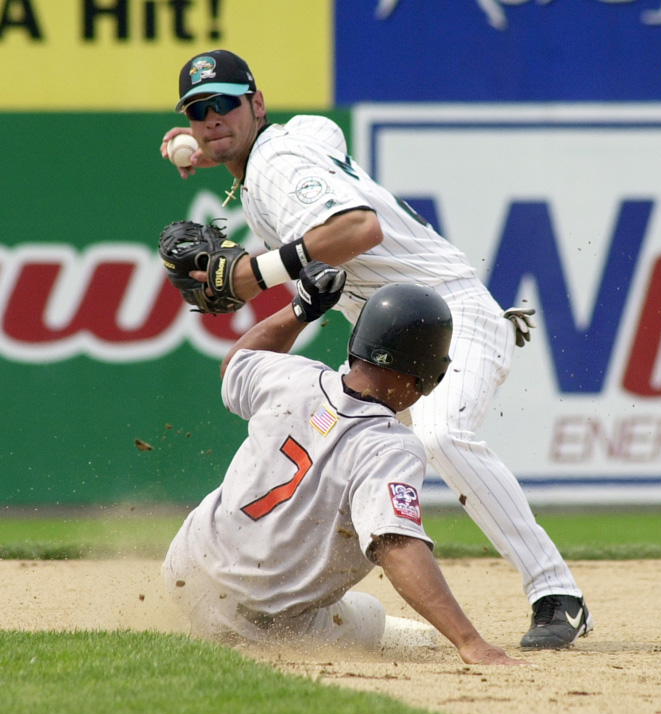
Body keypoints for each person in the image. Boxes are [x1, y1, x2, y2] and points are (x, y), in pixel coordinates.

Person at [160, 49, 593, 649]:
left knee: (440, 436)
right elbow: (323, 134)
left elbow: (360, 228)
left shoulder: (276, 164)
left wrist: (254, 274)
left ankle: (557, 593)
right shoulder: (290, 143)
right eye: (200, 111)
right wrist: (214, 148)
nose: (213, 118)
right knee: (319, 455)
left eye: (226, 104)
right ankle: (300, 606)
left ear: (256, 104)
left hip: (447, 316)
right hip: (384, 342)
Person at [162, 261, 524, 665]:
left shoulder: (292, 376)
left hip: (184, 569)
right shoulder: (390, 447)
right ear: (424, 376)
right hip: (253, 627)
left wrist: (301, 308)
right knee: (373, 616)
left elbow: (237, 363)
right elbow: (397, 545)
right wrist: (470, 642)